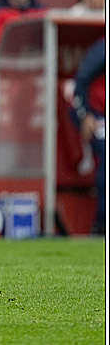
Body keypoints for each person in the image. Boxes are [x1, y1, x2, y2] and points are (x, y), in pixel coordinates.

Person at [72, 38, 105, 235]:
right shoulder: (103, 47)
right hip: (99, 114)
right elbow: (81, 79)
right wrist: (85, 114)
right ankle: (102, 222)